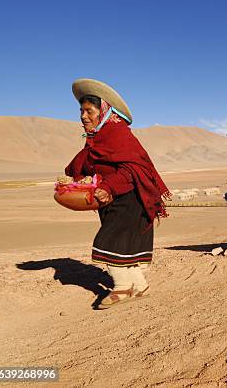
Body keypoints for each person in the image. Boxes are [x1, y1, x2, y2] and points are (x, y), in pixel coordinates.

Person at [65, 78, 170, 309]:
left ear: (103, 111)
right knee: (124, 248)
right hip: (113, 202)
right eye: (81, 111)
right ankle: (140, 286)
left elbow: (133, 169)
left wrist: (109, 187)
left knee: (111, 243)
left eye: (88, 111)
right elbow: (86, 162)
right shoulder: (98, 138)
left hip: (131, 201)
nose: (83, 116)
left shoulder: (118, 135)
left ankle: (122, 288)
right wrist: (74, 176)